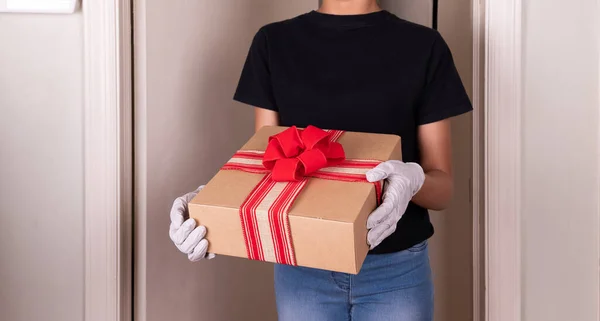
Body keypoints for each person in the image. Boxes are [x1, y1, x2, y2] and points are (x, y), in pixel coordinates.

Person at [169, 0, 472, 320]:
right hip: (302, 269)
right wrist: (206, 209)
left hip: (395, 271)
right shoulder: (273, 43)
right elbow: (269, 167)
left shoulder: (424, 46)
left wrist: (414, 181)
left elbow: (443, 189)